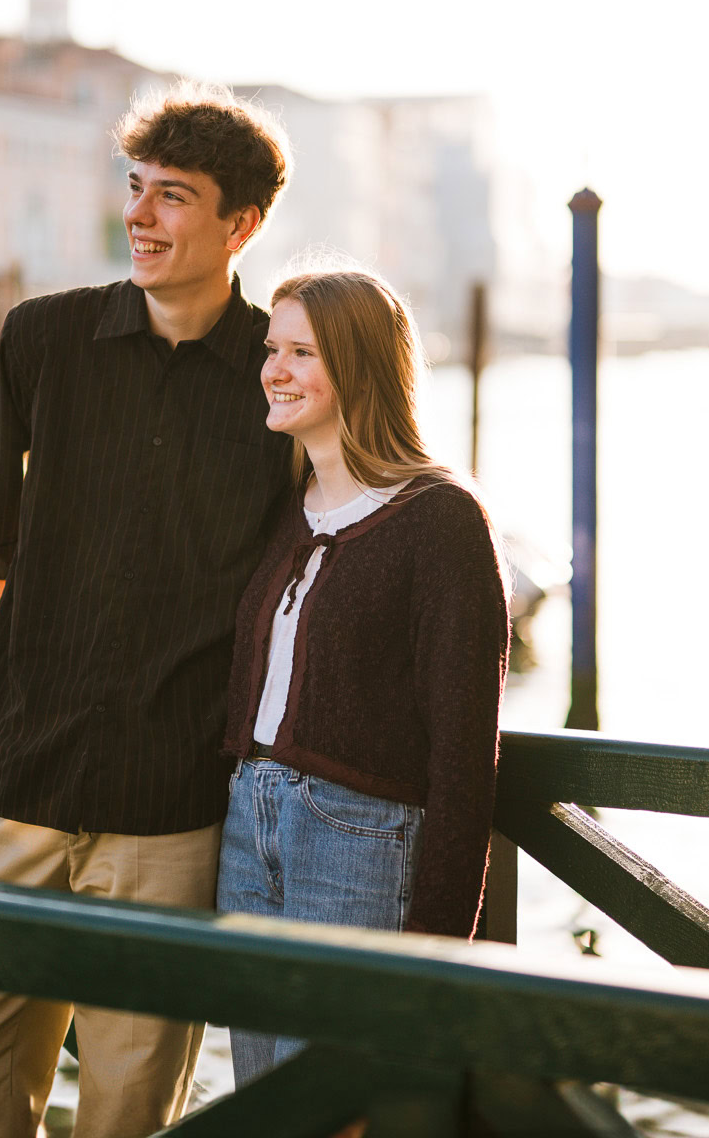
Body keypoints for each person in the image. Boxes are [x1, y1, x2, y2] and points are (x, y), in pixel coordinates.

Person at [0, 83, 295, 1138]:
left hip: (172, 798)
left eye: (174, 195)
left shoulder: (279, 378)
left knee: (128, 1105)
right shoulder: (42, 337)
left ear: (240, 224)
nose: (141, 214)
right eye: (136, 188)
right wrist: (53, 664)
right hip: (24, 773)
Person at [215, 266, 509, 1084]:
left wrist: (441, 949)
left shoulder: (441, 519)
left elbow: (463, 749)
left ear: (361, 366)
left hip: (359, 842)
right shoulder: (288, 502)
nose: (274, 369)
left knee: (335, 1100)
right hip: (248, 826)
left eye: (302, 352)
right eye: (272, 349)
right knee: (262, 1099)